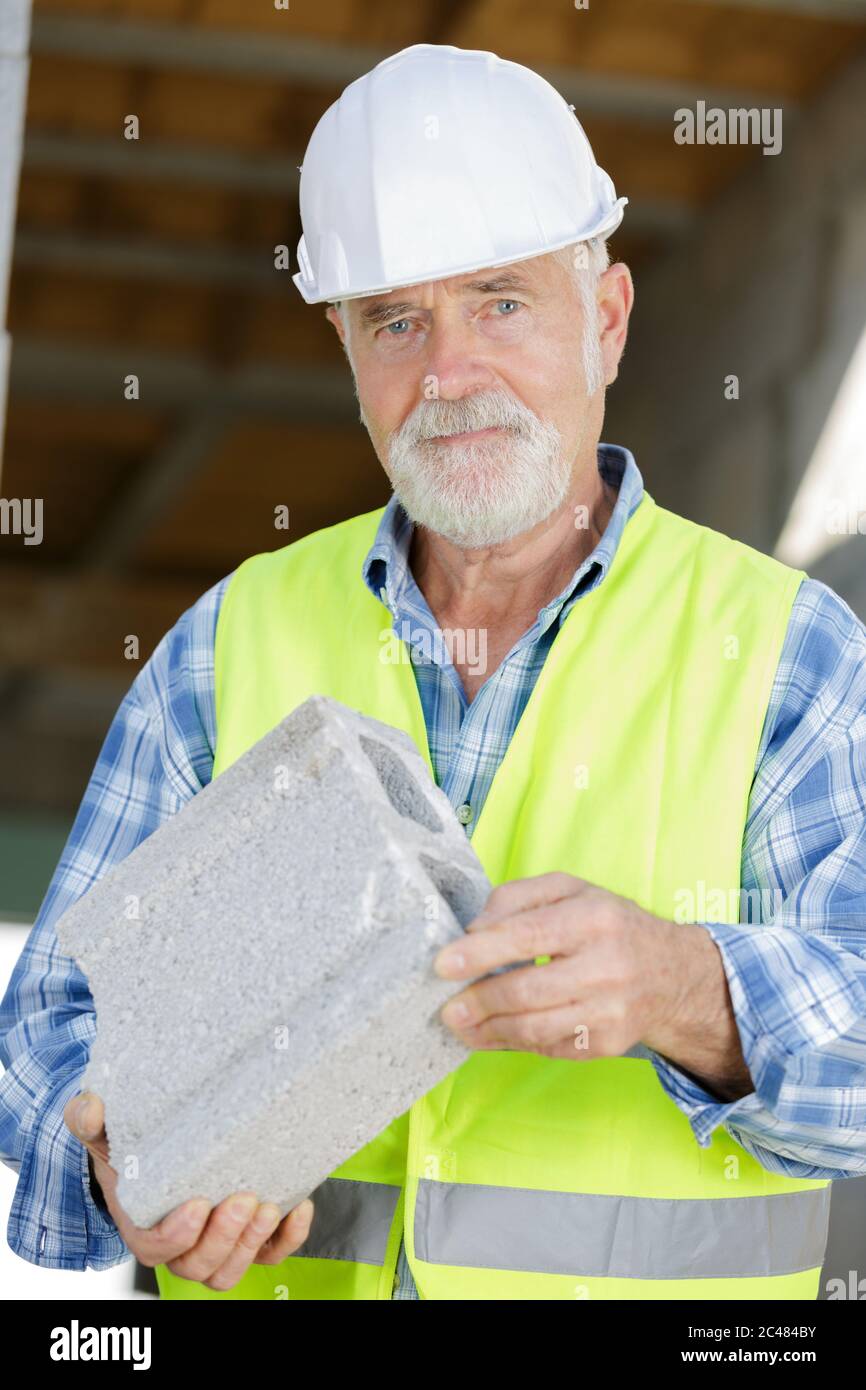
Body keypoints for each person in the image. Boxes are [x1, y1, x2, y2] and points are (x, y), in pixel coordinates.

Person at [2, 43, 866, 1301]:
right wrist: (118, 1172)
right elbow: (41, 1050)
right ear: (348, 351)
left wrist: (693, 990)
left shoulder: (785, 650)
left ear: (607, 320)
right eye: (395, 320)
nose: (447, 374)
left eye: (500, 301)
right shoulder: (224, 643)